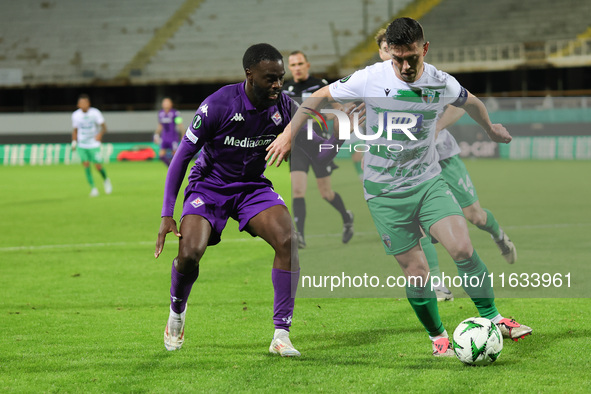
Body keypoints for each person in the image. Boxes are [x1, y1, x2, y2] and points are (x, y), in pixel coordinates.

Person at [267, 17, 532, 356]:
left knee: (463, 248)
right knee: (417, 273)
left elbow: (472, 103)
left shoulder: (440, 82)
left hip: (427, 182)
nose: (405, 66)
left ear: (425, 49)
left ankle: (494, 318)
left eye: (412, 58)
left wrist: (491, 128)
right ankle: (439, 338)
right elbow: (317, 96)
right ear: (389, 53)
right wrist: (289, 134)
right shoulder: (369, 78)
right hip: (383, 192)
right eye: (398, 59)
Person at [154, 43, 303, 356]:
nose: (278, 84)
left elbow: (308, 141)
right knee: (191, 253)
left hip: (252, 187)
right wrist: (168, 213)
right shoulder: (218, 105)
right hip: (209, 187)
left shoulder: (284, 106)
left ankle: (281, 333)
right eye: (270, 78)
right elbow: (182, 158)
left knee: (288, 239)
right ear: (249, 75)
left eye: (280, 77)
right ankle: (177, 313)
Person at [283, 50, 354, 249]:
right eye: (293, 65)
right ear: (290, 68)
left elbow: (337, 109)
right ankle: (300, 237)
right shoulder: (286, 89)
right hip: (298, 146)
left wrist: (336, 115)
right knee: (297, 190)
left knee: (326, 193)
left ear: (307, 65)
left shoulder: (320, 85)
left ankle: (346, 216)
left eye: (299, 63)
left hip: (319, 145)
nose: (296, 68)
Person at [71, 94, 112, 197]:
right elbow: (75, 130)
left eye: (85, 103)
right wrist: (74, 142)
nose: (83, 105)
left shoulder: (95, 113)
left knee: (98, 165)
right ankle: (93, 188)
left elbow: (104, 127)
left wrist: (99, 135)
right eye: (81, 103)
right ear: (78, 105)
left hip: (93, 144)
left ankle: (106, 180)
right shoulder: (75, 115)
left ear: (88, 104)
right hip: (82, 144)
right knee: (86, 165)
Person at [154, 97, 183, 167]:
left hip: (173, 137)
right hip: (164, 137)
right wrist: (156, 134)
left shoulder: (175, 113)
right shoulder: (160, 113)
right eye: (164, 102)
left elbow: (180, 124)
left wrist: (183, 134)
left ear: (171, 104)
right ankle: (170, 166)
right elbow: (160, 125)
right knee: (161, 155)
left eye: (167, 102)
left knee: (175, 156)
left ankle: (176, 168)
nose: (166, 104)